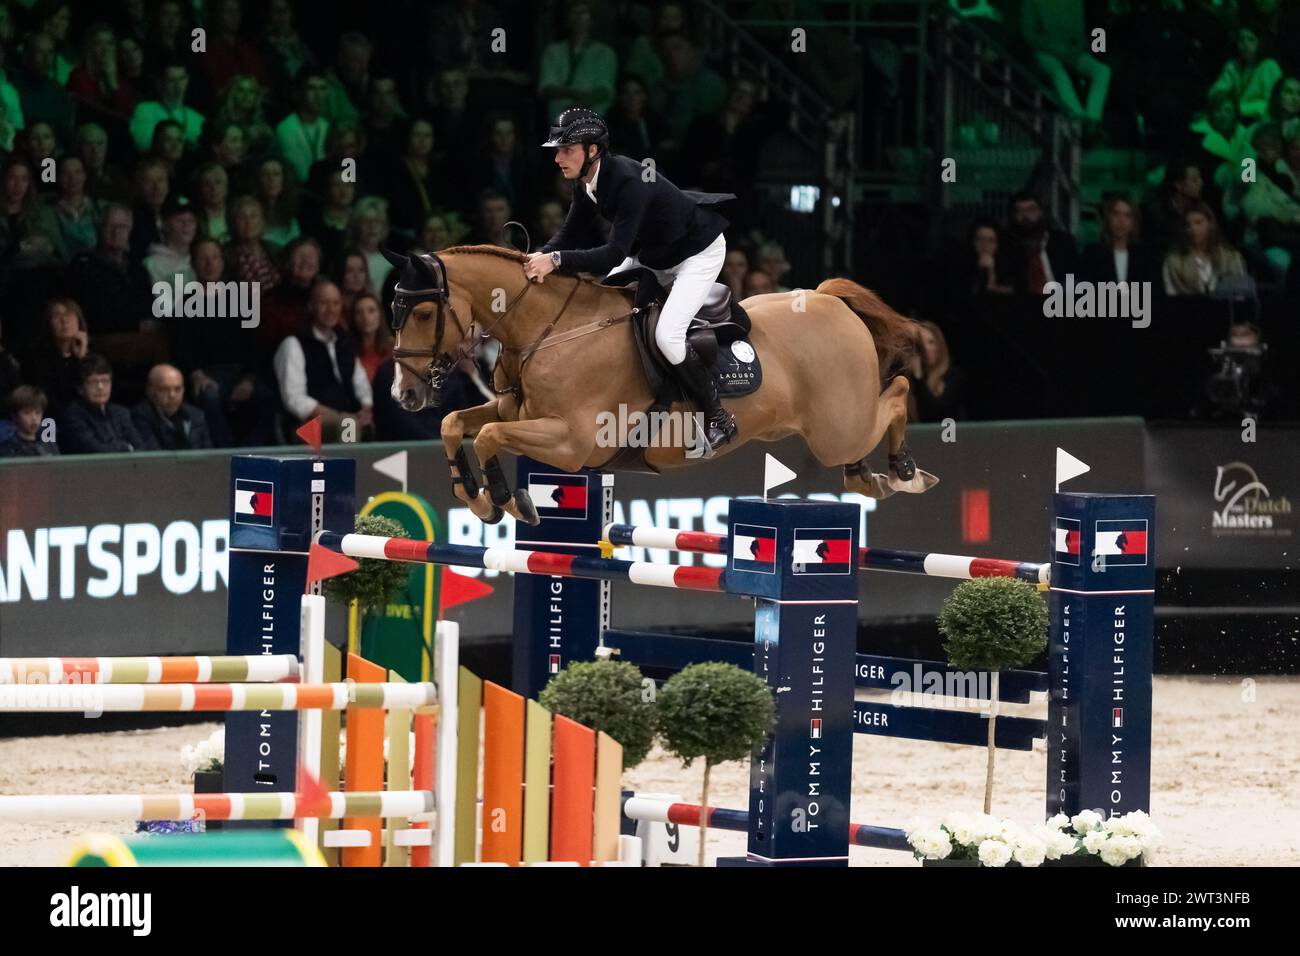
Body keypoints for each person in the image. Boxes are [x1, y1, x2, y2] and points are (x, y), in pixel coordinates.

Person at [525, 108, 737, 455]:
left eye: (566, 149)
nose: (558, 158)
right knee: (601, 305)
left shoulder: (627, 181)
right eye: (557, 150)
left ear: (592, 150)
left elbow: (611, 253)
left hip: (696, 253)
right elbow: (570, 231)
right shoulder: (586, 181)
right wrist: (539, 256)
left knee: (667, 336)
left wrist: (557, 261)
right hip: (654, 252)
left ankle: (718, 418)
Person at [272, 278, 373, 438]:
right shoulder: (293, 344)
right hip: (306, 426)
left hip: (350, 418)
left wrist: (366, 410)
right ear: (311, 306)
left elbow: (361, 386)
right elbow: (294, 399)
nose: (330, 309)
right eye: (324, 303)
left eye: (335, 303)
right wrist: (338, 416)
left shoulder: (344, 342)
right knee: (347, 426)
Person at [1020, 0, 1109, 127]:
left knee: (1102, 71)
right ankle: (1078, 120)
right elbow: (1029, 34)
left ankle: (1092, 119)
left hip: (1070, 52)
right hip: (1044, 51)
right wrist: (1053, 48)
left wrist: (1074, 49)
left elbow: (1078, 32)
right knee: (1058, 72)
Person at [538, 1, 617, 119]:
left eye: (583, 13)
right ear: (567, 18)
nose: (579, 17)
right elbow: (546, 87)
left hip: (592, 119)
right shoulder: (553, 51)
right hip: (558, 117)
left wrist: (578, 105)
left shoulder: (605, 53)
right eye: (575, 13)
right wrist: (574, 94)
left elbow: (605, 90)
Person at [59, 353, 147, 453]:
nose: (100, 387)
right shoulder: (73, 415)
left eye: (105, 381)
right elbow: (94, 449)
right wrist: (127, 448)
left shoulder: (121, 413)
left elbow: (141, 447)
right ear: (80, 388)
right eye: (93, 382)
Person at [998, 190, 1078, 294]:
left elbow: (1075, 279)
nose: (1026, 216)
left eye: (1031, 210)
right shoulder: (1006, 246)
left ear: (1041, 212)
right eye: (1019, 211)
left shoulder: (1063, 241)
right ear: (1012, 216)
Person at [1162, 201, 1248, 295]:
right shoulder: (1174, 261)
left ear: (1210, 224)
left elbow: (1240, 294)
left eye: (1198, 223)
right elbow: (1172, 295)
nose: (1193, 229)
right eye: (1187, 225)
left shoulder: (1231, 258)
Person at [1079, 194, 1161, 286]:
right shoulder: (1092, 253)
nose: (1121, 221)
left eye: (1127, 215)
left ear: (1134, 221)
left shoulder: (1146, 256)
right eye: (1116, 214)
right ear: (1108, 218)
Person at [1208, 22, 1281, 121]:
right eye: (1241, 40)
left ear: (1260, 42)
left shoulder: (1269, 66)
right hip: (1235, 117)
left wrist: (1239, 108)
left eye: (1251, 40)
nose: (1245, 44)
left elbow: (1274, 102)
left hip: (1261, 120)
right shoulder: (1232, 65)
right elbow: (1215, 92)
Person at [131, 362, 212, 450]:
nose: (172, 395)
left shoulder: (197, 415)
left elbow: (209, 454)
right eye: (165, 389)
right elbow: (153, 456)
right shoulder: (140, 416)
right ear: (150, 391)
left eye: (177, 389)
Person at [128, 59, 204, 152]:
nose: (178, 86)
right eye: (172, 80)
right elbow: (143, 144)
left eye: (182, 79)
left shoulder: (198, 119)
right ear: (161, 83)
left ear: (187, 80)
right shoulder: (145, 110)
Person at [275, 68, 329, 183]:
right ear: (299, 92)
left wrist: (349, 181)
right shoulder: (286, 129)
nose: (318, 95)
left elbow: (348, 160)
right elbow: (295, 174)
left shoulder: (329, 127)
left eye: (323, 88)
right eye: (311, 89)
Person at [907, 321, 966, 422]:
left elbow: (938, 413)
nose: (925, 348)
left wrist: (918, 379)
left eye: (931, 342)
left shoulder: (954, 376)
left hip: (949, 435)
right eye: (921, 343)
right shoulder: (909, 379)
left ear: (940, 345)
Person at [143, 193, 198, 284]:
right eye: (179, 220)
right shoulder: (152, 265)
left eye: (191, 220)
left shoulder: (201, 258)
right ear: (164, 225)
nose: (186, 225)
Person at [0, 385, 59, 457]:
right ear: (15, 416)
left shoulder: (49, 445)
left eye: (38, 412)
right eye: (27, 413)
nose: (34, 418)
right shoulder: (7, 449)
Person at [350, 291, 393, 382]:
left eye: (371, 311)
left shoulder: (394, 347)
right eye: (359, 312)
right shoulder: (348, 351)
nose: (365, 317)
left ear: (380, 314)